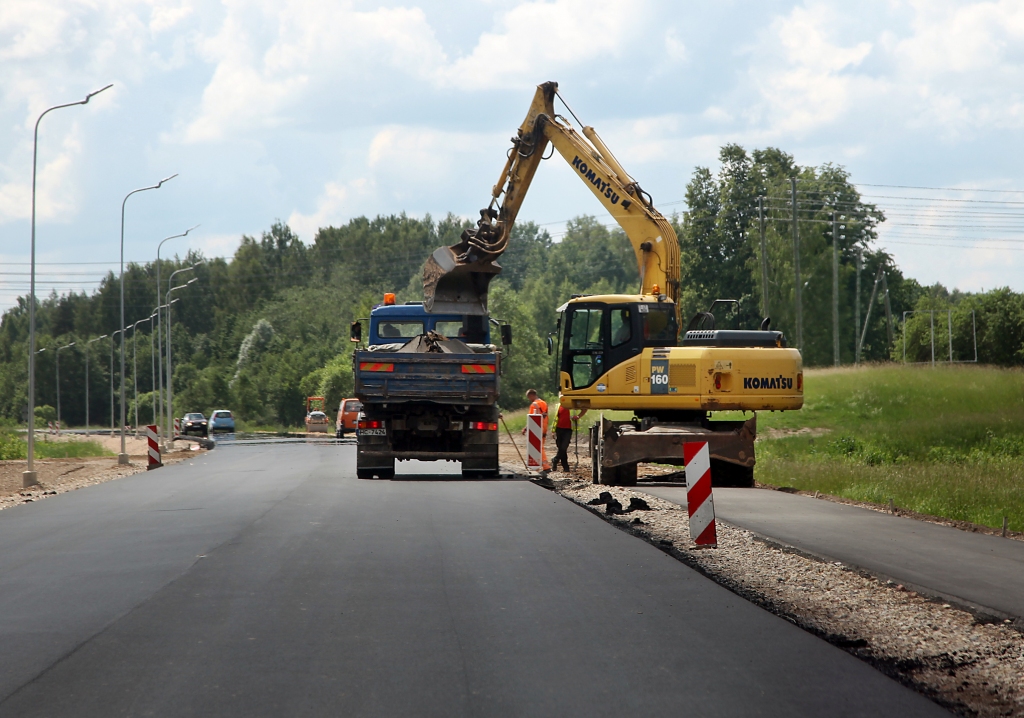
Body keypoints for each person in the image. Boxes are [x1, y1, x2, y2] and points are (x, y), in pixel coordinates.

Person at [521, 389, 550, 472]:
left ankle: (545, 466)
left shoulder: (534, 405)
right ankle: (538, 467)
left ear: (531, 395)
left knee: (538, 448)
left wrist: (525, 428)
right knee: (541, 447)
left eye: (528, 397)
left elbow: (531, 419)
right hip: (544, 427)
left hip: (536, 428)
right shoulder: (544, 403)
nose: (529, 399)